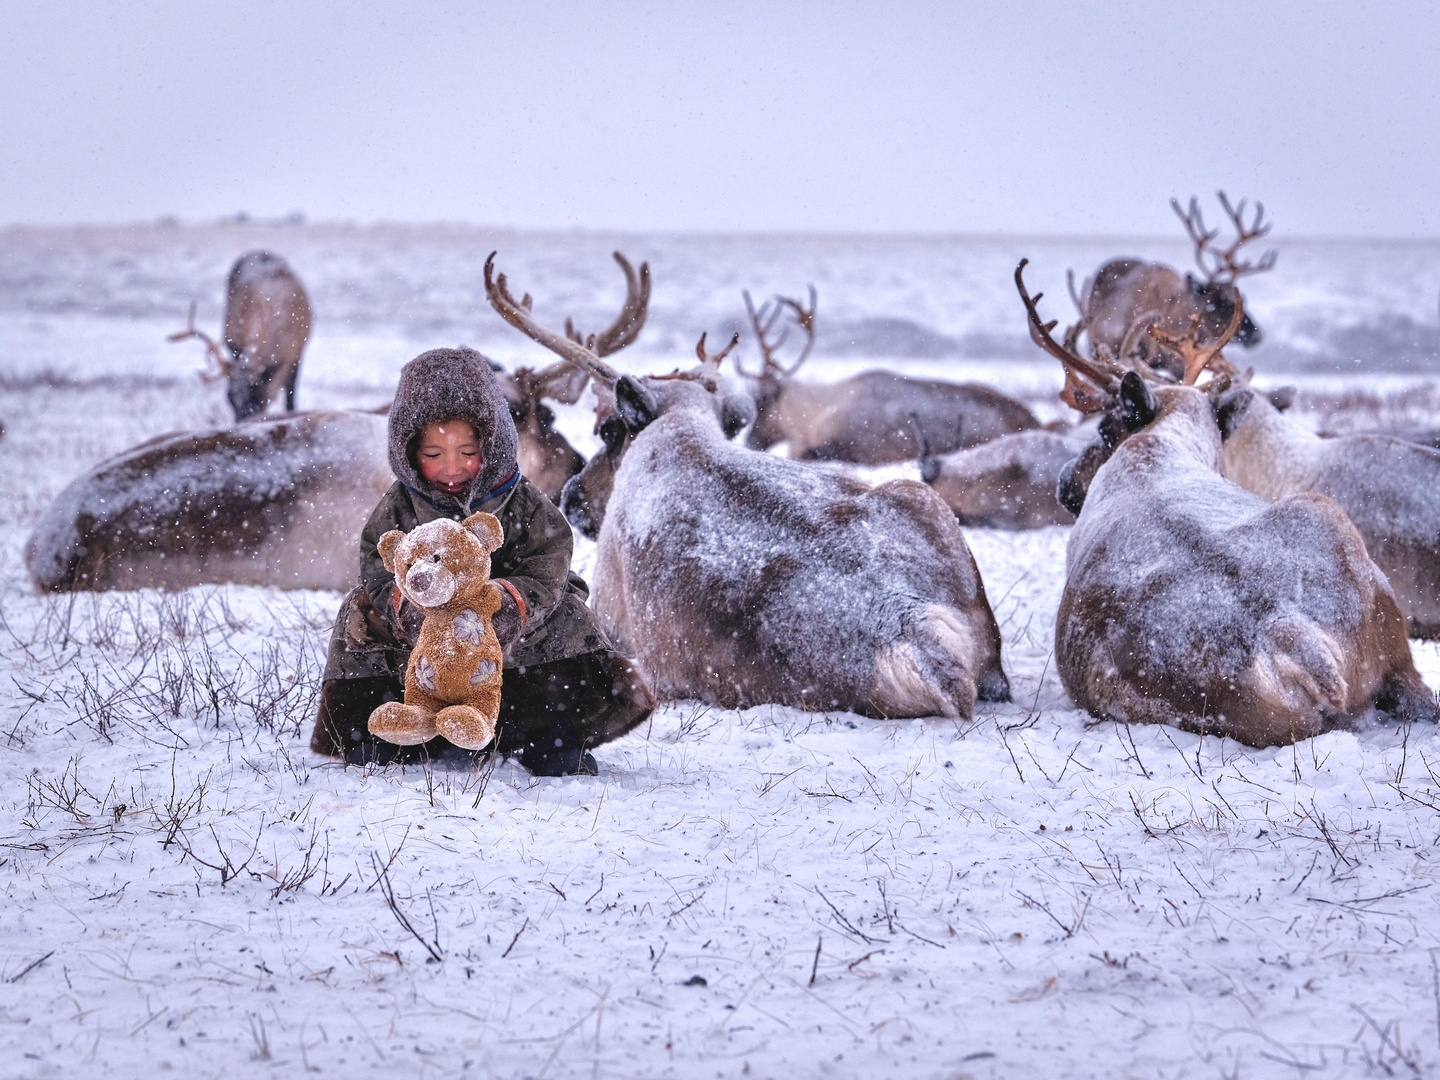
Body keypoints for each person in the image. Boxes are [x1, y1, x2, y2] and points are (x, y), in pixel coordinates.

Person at [309, 347, 654, 775]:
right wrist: (407, 609)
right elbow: (377, 564)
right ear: (408, 452)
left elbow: (550, 563)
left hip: (508, 632)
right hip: (424, 644)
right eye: (433, 455)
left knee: (568, 612)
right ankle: (379, 730)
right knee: (359, 613)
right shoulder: (400, 505)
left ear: (492, 444)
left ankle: (550, 733)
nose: (451, 467)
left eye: (467, 452)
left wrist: (509, 605)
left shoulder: (521, 500)